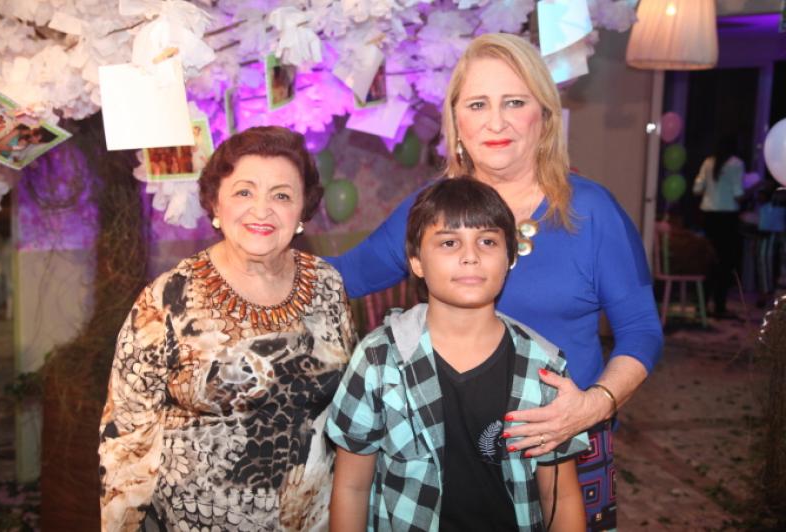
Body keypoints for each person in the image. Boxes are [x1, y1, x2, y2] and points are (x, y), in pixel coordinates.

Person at [326, 33, 663, 530]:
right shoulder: (433, 212)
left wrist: (592, 406)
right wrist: (243, 262)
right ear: (456, 120)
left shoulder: (592, 212)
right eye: (478, 104)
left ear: (544, 116)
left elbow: (641, 331)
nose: (496, 121)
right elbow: (340, 277)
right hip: (445, 447)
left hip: (561, 442)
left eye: (515, 102)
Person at [98, 126, 356, 531]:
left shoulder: (327, 285)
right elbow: (126, 438)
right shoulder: (167, 298)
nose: (262, 210)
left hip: (312, 521)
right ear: (215, 203)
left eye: (282, 195)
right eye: (244, 192)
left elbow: (346, 409)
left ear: (302, 211)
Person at [326, 177, 589, 531]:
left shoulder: (543, 368)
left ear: (510, 257)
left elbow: (561, 496)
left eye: (488, 241)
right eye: (449, 242)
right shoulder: (377, 360)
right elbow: (352, 487)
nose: (470, 256)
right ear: (416, 261)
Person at [692, 135, 745, 318]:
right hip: (727, 217)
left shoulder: (708, 162)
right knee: (725, 262)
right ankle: (719, 306)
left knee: (708, 260)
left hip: (709, 215)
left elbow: (697, 189)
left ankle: (701, 303)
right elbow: (738, 193)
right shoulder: (736, 164)